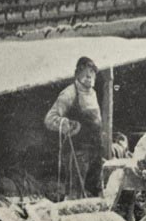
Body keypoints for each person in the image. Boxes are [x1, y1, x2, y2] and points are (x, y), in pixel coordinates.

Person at [44, 56, 104, 197]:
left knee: (96, 191)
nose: (89, 76)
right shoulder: (69, 94)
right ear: (77, 73)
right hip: (77, 152)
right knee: (76, 194)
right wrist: (68, 125)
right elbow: (50, 119)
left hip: (95, 150)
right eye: (84, 71)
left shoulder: (93, 93)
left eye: (92, 71)